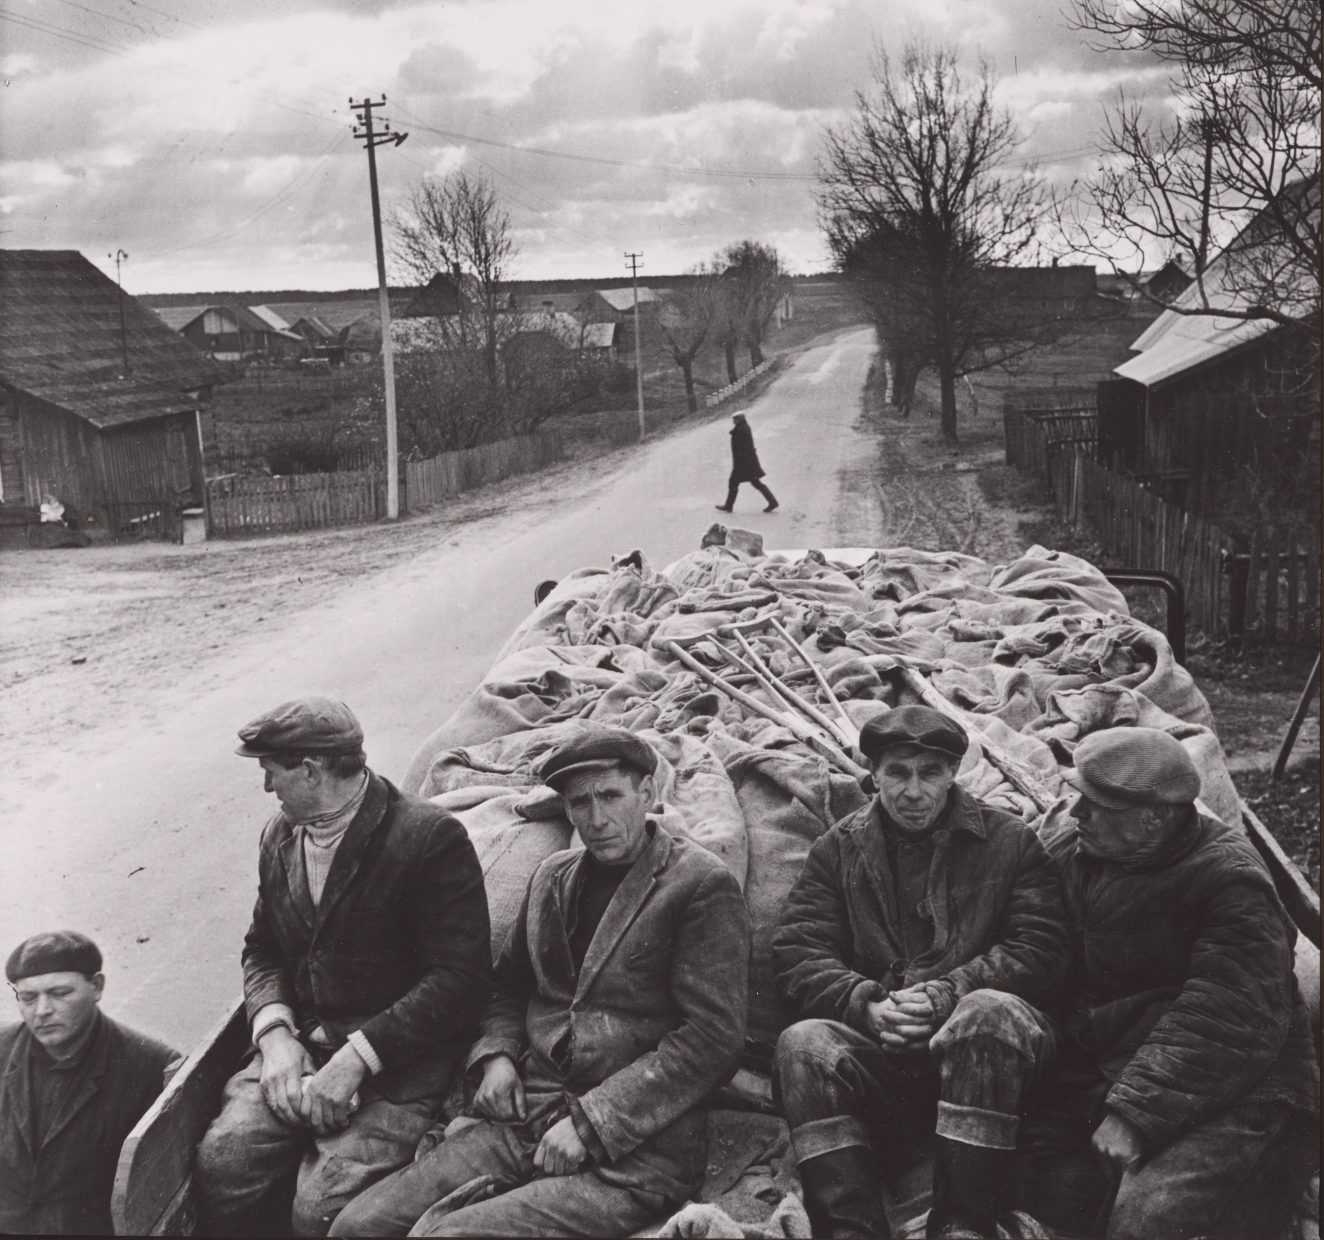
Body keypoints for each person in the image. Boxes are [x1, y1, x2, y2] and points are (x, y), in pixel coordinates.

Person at [331, 723, 752, 1238]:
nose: (596, 819)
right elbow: (506, 987)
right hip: (526, 1116)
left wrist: (592, 1123)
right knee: (357, 1226)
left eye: (610, 796)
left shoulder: (699, 884)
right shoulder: (553, 876)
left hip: (634, 1150)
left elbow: (712, 1039)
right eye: (579, 803)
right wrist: (498, 1056)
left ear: (647, 793)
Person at [194, 696, 492, 1237]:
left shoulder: (428, 837)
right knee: (225, 1162)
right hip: (301, 1049)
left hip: (398, 1067)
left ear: (312, 770)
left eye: (271, 772)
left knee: (320, 1209)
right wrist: (275, 1038)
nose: (267, 788)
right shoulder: (280, 835)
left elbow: (459, 979)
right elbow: (263, 948)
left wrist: (358, 1057)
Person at [772, 707, 1069, 1239]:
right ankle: (852, 1230)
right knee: (804, 1045)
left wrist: (946, 997)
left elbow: (1041, 947)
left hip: (994, 1067)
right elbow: (798, 948)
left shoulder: (1010, 841)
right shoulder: (839, 848)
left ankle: (962, 1225)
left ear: (954, 772)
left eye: (929, 772)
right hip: (892, 1062)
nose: (913, 791)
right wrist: (865, 1004)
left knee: (987, 1013)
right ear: (873, 773)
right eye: (897, 772)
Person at [1014, 727, 1320, 1240]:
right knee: (1024, 1179)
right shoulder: (1074, 846)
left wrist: (1134, 1115)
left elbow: (1229, 1015)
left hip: (1239, 1088)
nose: (1075, 814)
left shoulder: (1229, 878)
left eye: (1095, 805)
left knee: (1145, 1223)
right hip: (1114, 1070)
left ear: (1154, 817)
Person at [0, 931, 181, 1235]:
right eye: (28, 998)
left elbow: (156, 1188)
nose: (42, 1011)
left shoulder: (151, 1066)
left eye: (59, 993)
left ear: (96, 986)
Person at [717, 412, 778, 513]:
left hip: (744, 463)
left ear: (740, 419)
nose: (733, 421)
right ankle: (773, 502)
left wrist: (740, 463)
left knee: (734, 482)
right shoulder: (742, 428)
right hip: (748, 462)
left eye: (735, 419)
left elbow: (743, 447)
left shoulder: (741, 429)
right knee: (755, 483)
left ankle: (728, 506)